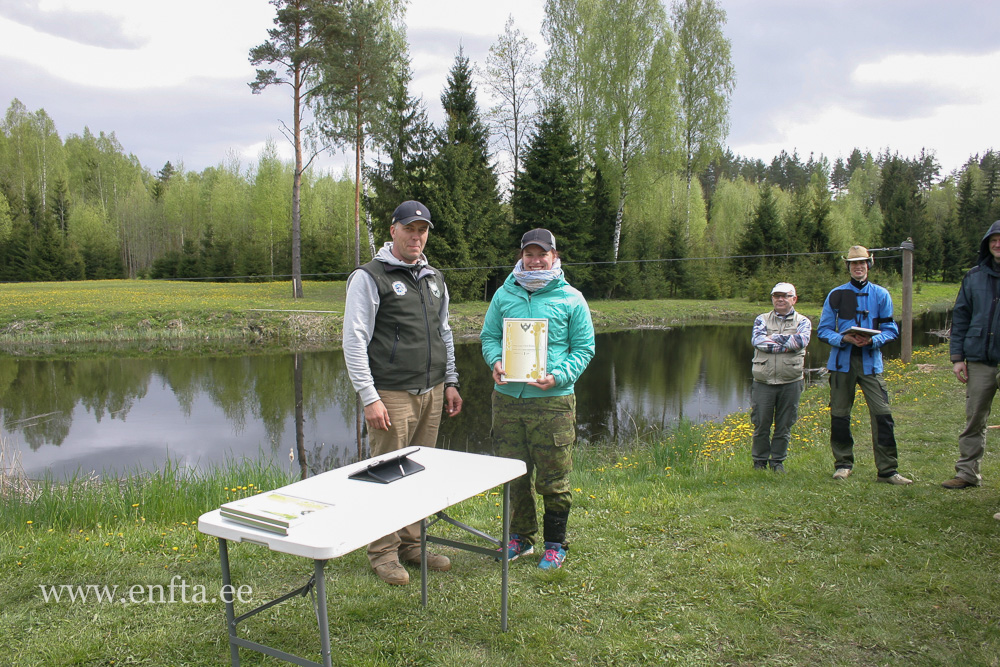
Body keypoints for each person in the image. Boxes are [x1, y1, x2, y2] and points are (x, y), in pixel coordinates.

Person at [342, 200, 463, 586]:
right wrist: (369, 396)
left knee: (418, 472)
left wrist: (452, 381)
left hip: (432, 389)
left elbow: (444, 332)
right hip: (391, 393)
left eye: (422, 229)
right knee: (386, 473)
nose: (416, 236)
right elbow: (354, 340)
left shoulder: (434, 278)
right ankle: (383, 553)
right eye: (409, 228)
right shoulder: (369, 276)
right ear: (392, 230)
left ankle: (413, 544)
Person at [480, 229, 595, 570]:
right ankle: (520, 538)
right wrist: (495, 362)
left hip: (553, 402)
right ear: (521, 256)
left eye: (541, 254)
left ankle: (555, 544)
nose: (535, 260)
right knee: (513, 473)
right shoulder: (504, 294)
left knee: (553, 478)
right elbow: (489, 337)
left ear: (554, 256)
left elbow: (585, 349)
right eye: (529, 254)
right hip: (508, 401)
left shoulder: (571, 298)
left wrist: (560, 375)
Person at [817, 245, 912, 485]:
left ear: (869, 265)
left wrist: (873, 340)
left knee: (882, 414)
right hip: (842, 363)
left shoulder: (881, 294)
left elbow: (891, 329)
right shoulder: (836, 294)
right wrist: (843, 338)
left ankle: (888, 470)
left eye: (862, 263)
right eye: (853, 263)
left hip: (871, 363)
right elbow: (824, 330)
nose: (858, 267)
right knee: (839, 415)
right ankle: (843, 464)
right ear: (848, 266)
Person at [943, 220, 1000, 493]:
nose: (998, 244)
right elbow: (961, 317)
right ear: (987, 244)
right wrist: (957, 358)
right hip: (978, 360)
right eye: (993, 240)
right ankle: (967, 472)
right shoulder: (974, 277)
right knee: (974, 419)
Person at [750, 282, 812, 473]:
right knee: (761, 424)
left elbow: (801, 341)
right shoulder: (761, 319)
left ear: (794, 299)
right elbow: (758, 341)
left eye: (785, 296)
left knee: (784, 424)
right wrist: (787, 342)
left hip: (791, 381)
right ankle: (759, 461)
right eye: (776, 296)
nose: (780, 299)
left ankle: (777, 461)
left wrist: (774, 339)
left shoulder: (803, 322)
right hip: (763, 382)